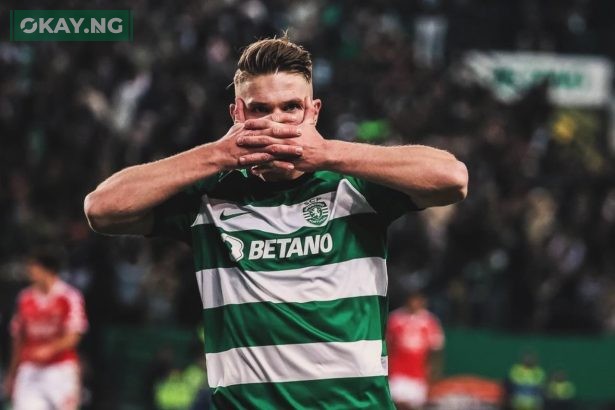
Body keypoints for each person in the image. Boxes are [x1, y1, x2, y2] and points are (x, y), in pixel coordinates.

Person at [84, 35, 468, 408]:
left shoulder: (355, 185)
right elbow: (102, 209)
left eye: (291, 107)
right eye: (260, 110)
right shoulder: (208, 196)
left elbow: (452, 178)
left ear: (313, 112)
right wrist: (217, 155)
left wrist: (329, 152)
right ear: (237, 114)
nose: (276, 123)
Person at [4, 248, 89, 410]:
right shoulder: (25, 298)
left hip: (60, 370)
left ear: (48, 270)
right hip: (30, 370)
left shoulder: (68, 297)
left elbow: (74, 334)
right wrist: (12, 372)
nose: (30, 273)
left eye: (34, 268)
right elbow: (18, 338)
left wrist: (50, 348)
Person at [387, 290, 445, 410]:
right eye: (412, 300)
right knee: (395, 403)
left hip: (418, 373)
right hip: (397, 371)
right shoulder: (395, 318)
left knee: (415, 406)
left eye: (418, 300)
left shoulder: (430, 321)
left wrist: (434, 369)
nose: (414, 303)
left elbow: (436, 348)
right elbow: (387, 344)